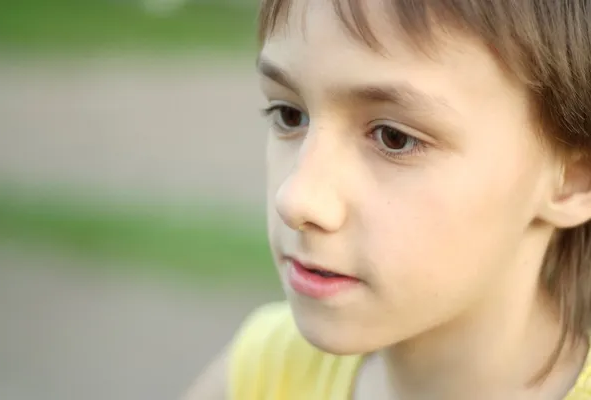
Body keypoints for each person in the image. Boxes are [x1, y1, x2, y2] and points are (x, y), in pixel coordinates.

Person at [186, 0, 591, 398]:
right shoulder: (265, 373)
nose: (296, 199)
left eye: (394, 138)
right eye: (290, 115)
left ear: (574, 178)